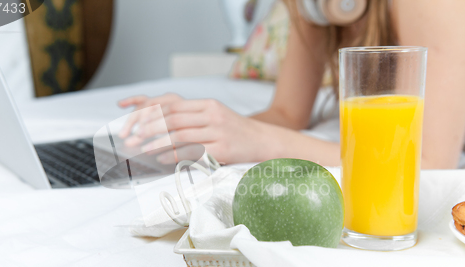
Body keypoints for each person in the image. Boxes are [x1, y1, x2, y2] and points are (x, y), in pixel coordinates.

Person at [118, 0, 465, 169]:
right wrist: (198, 125)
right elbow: (287, 113)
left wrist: (261, 142)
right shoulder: (316, 6)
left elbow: (431, 163)